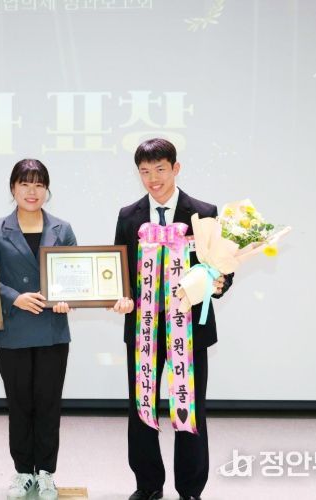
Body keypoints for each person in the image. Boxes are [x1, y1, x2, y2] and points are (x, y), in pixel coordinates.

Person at [112, 138, 233, 500]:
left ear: (176, 168)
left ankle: (190, 488)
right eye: (145, 171)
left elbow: (220, 266)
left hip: (189, 330)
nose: (153, 178)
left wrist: (219, 283)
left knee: (189, 405)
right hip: (144, 330)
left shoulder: (203, 213)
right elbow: (120, 271)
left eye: (160, 169)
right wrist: (120, 296)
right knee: (142, 406)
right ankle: (148, 485)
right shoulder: (128, 216)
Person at [0, 159, 76, 499]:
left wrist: (67, 298)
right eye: (25, 184)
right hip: (13, 331)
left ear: (47, 189)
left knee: (48, 403)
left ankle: (46, 472)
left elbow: (74, 274)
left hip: (52, 330)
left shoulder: (63, 228)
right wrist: (14, 297)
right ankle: (23, 471)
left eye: (39, 184)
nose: (32, 191)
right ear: (13, 188)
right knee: (19, 404)